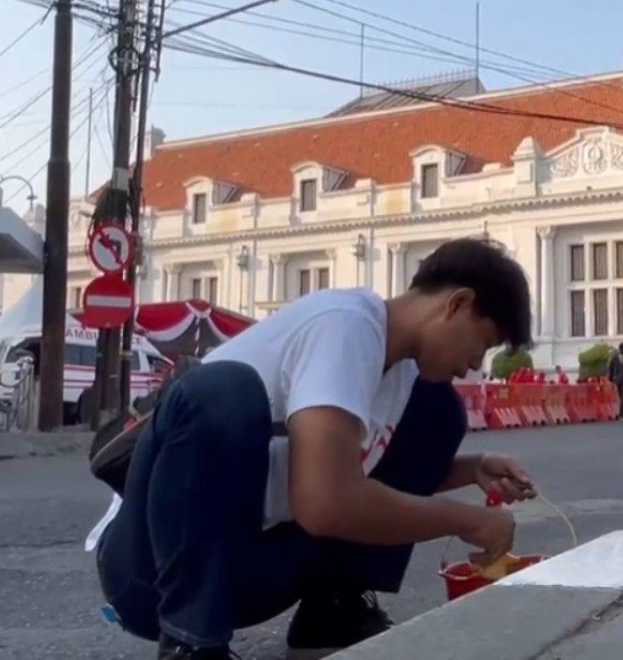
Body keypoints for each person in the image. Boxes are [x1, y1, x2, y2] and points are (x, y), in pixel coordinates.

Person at [89, 238, 538, 659]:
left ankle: (332, 615)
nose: (477, 364)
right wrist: (468, 521)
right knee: (224, 389)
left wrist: (471, 469)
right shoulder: (344, 325)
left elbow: (350, 472)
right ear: (457, 303)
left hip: (245, 566)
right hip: (153, 571)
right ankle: (192, 641)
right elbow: (326, 502)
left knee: (439, 409)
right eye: (483, 343)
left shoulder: (402, 374)